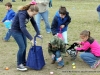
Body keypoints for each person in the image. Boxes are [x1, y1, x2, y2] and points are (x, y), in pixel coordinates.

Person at [11, 2, 42, 71]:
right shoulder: (22, 14)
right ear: (29, 10)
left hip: (21, 31)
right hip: (15, 31)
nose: (33, 16)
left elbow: (34, 23)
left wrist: (38, 33)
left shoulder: (30, 15)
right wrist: (31, 39)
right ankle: (19, 64)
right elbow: (22, 27)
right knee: (22, 47)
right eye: (33, 14)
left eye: (35, 15)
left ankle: (23, 62)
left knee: (25, 46)